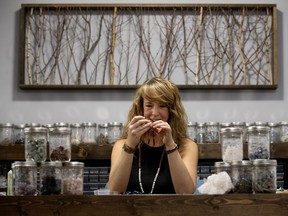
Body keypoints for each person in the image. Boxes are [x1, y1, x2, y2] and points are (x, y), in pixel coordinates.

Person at [108, 77, 198, 194]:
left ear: (172, 110)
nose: (155, 113)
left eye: (162, 106)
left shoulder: (187, 146)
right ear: (141, 108)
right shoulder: (121, 145)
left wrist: (170, 145)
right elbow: (115, 190)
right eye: (149, 106)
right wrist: (130, 144)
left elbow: (186, 192)